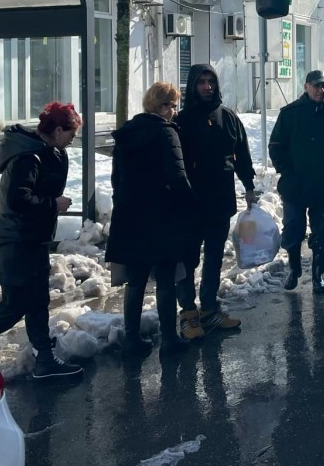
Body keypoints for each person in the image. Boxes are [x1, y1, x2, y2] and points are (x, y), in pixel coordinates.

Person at [0, 101, 84, 379]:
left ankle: (45, 359)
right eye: (71, 133)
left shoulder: (47, 151)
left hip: (32, 239)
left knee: (38, 301)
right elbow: (18, 199)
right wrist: (53, 204)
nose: (73, 139)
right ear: (58, 130)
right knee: (14, 306)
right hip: (16, 241)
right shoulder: (28, 157)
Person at [107, 82, 196, 357]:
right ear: (162, 106)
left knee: (136, 279)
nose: (174, 110)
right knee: (166, 277)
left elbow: (116, 179)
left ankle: (131, 339)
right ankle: (169, 339)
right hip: (162, 216)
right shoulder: (166, 132)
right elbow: (177, 177)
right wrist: (190, 206)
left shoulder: (127, 133)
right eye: (171, 105)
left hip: (132, 216)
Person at [173, 64, 259, 339]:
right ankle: (188, 314)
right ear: (192, 86)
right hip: (190, 203)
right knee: (187, 259)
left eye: (211, 81)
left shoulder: (228, 117)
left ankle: (209, 310)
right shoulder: (181, 121)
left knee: (214, 258)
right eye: (201, 82)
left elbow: (241, 154)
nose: (207, 86)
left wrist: (249, 186)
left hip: (220, 201)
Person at [268, 69, 324, 293]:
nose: (320, 90)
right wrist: (288, 172)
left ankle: (318, 275)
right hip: (295, 185)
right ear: (306, 87)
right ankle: (294, 268)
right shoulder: (290, 113)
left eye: (323, 86)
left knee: (322, 231)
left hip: (322, 185)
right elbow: (276, 146)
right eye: (316, 86)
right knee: (293, 229)